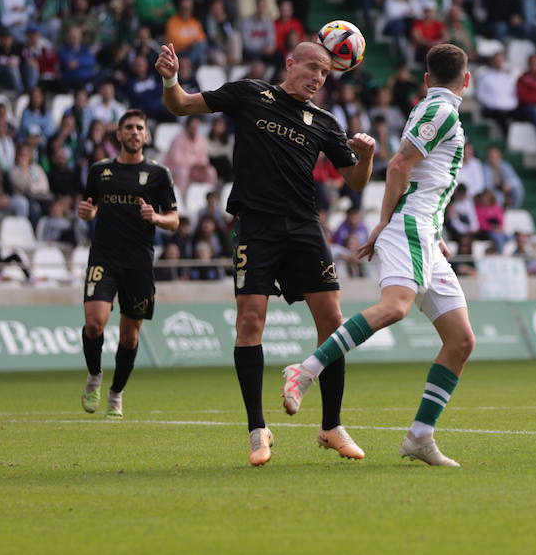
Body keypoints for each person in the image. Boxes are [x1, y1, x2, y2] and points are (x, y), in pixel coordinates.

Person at [158, 40, 376, 466]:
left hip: (304, 226)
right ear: (290, 63)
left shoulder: (326, 122)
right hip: (257, 226)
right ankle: (258, 430)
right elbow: (181, 105)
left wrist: (366, 158)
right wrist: (170, 77)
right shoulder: (249, 93)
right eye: (311, 67)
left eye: (325, 74)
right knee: (250, 320)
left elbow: (356, 182)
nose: (317, 78)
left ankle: (331, 426)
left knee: (332, 321)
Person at [281, 44, 474, 467]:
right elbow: (400, 164)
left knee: (460, 341)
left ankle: (420, 436)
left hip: (426, 233)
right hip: (408, 226)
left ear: (426, 79)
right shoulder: (441, 111)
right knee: (395, 307)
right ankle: (306, 369)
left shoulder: (436, 109)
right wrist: (385, 220)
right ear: (468, 79)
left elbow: (424, 175)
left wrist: (434, 232)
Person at [76, 110, 180, 419]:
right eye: (128, 128)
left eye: (139, 128)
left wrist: (156, 217)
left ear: (146, 136)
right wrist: (88, 214)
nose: (134, 133)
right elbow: (91, 206)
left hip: (138, 262)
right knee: (95, 324)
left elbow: (174, 220)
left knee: (129, 336)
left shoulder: (159, 175)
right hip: (104, 257)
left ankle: (116, 394)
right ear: (118, 135)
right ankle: (94, 375)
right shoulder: (100, 171)